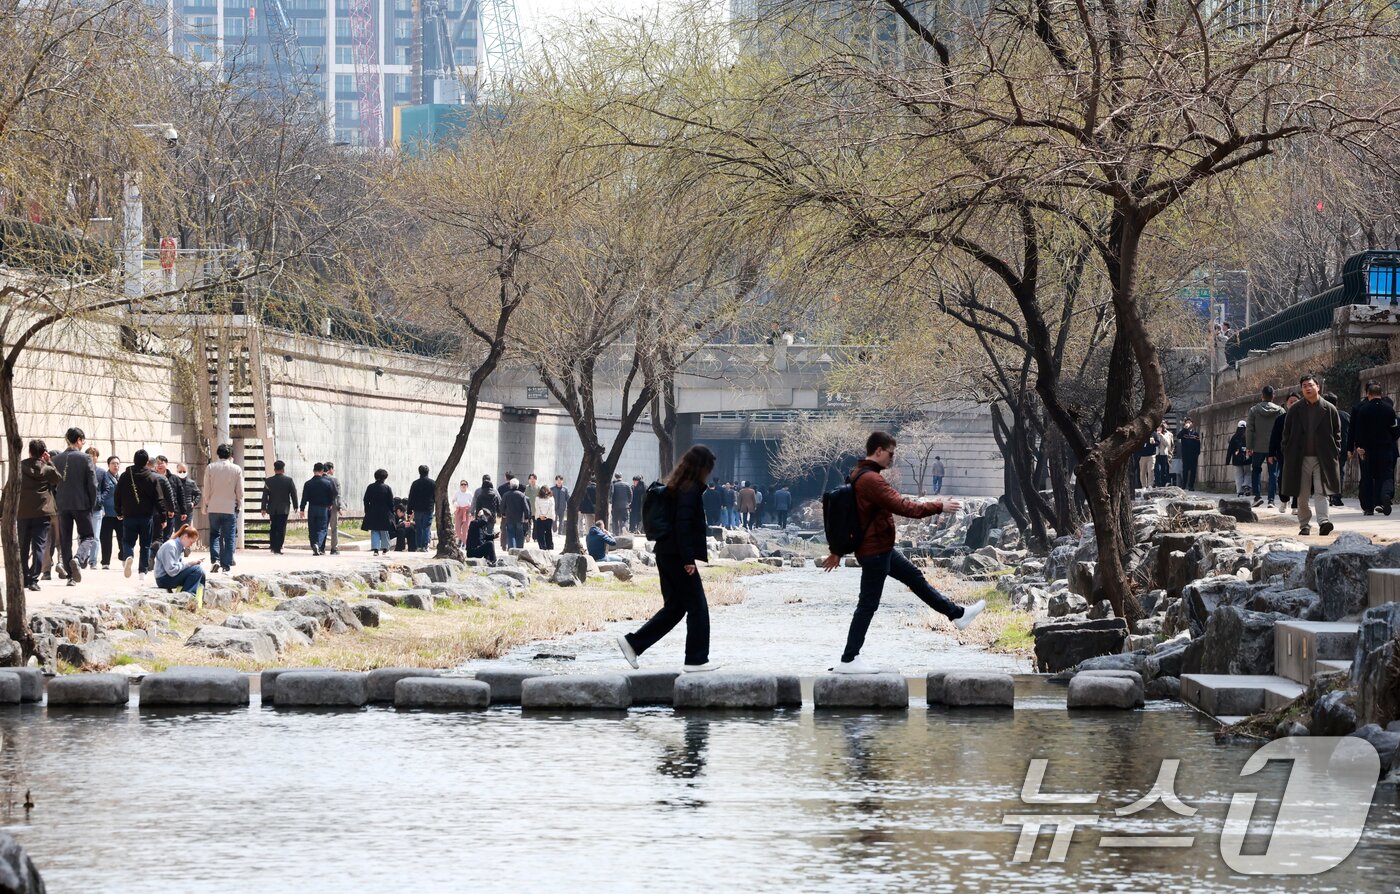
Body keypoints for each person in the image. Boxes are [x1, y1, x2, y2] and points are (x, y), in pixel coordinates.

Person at [821, 431, 985, 674]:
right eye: (890, 453)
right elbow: (904, 507)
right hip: (875, 551)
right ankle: (849, 659)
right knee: (867, 605)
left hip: (880, 548)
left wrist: (837, 551)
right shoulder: (871, 480)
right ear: (878, 451)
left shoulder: (860, 475)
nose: (892, 459)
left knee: (915, 580)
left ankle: (957, 614)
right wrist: (939, 506)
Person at [616, 444, 721, 674]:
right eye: (709, 467)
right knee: (698, 607)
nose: (710, 473)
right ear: (701, 467)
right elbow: (682, 526)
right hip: (677, 555)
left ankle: (633, 643)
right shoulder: (690, 489)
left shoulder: (677, 486)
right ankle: (696, 661)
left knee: (675, 608)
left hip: (666, 552)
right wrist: (688, 560)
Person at [1280, 373, 1342, 537]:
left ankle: (1323, 522)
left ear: (1318, 387)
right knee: (1302, 494)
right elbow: (1286, 434)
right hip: (1300, 459)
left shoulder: (1329, 409)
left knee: (1322, 491)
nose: (1308, 388)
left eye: (1310, 385)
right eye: (1304, 386)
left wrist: (1336, 451)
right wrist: (1287, 451)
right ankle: (1304, 525)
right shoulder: (1295, 410)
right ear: (1301, 389)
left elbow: (1337, 434)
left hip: (1323, 458)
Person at [52, 427, 97, 585]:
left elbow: (52, 485)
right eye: (83, 440)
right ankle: (78, 559)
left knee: (65, 540)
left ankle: (71, 577)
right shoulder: (85, 458)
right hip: (81, 504)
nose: (83, 443)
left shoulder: (56, 459)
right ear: (78, 440)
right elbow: (92, 484)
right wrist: (93, 503)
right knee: (88, 536)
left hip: (63, 505)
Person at [115, 448, 170, 579]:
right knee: (145, 544)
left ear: (134, 461)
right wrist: (163, 517)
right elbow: (159, 499)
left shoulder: (125, 475)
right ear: (146, 462)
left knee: (127, 541)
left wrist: (119, 511)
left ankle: (128, 555)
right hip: (146, 516)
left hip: (129, 515)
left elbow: (117, 495)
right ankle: (142, 572)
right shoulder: (152, 477)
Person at [1348, 381, 1399, 516]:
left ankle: (1369, 507)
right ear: (1381, 394)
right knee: (1387, 475)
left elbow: (1358, 431)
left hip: (1368, 450)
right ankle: (1385, 495)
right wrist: (1390, 440)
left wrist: (1359, 447)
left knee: (1367, 477)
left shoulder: (1363, 409)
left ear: (1368, 394)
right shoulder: (1389, 409)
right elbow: (1395, 430)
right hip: (1386, 448)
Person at [18, 440, 62, 592]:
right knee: (39, 546)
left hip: (23, 512)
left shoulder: (20, 467)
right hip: (43, 513)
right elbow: (58, 479)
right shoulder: (47, 468)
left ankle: (23, 577)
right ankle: (33, 579)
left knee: (23, 546)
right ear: (43, 453)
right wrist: (49, 461)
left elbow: (8, 487)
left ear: (29, 451)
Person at [201, 443, 242, 573]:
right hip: (230, 507)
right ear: (230, 455)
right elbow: (240, 491)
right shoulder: (236, 469)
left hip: (213, 506)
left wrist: (206, 503)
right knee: (229, 536)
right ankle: (226, 564)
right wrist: (239, 503)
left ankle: (215, 560)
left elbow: (206, 488)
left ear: (217, 454)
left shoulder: (210, 467)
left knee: (214, 534)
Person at [1245, 386, 1285, 508]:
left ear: (1262, 396)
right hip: (1274, 448)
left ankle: (1257, 497)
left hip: (1257, 447)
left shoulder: (1254, 410)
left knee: (1256, 470)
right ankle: (1271, 500)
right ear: (1273, 396)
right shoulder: (1280, 411)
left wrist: (1249, 446)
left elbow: (1250, 430)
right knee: (1273, 473)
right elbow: (1283, 430)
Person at [154, 524, 206, 603]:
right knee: (197, 570)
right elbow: (171, 570)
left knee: (201, 572)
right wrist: (189, 564)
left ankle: (199, 600)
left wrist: (192, 564)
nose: (191, 545)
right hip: (163, 579)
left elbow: (180, 566)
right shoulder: (171, 546)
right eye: (191, 542)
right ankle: (186, 599)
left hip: (170, 576)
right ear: (185, 536)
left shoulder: (180, 546)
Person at [260, 460, 299, 554]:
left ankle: (273, 546)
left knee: (273, 527)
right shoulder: (288, 480)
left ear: (274, 469)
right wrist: (296, 506)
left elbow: (265, 495)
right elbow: (294, 494)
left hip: (272, 508)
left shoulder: (268, 481)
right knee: (281, 528)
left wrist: (263, 508)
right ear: (283, 469)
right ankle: (278, 547)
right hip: (284, 508)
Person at [1269, 394, 1298, 512]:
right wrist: (1270, 453)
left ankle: (1295, 504)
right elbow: (1274, 437)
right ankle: (1284, 500)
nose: (1293, 404)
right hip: (1283, 453)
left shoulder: (1303, 419)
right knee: (1283, 477)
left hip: (1299, 452)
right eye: (1291, 402)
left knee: (1298, 477)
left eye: (1296, 401)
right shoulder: (1280, 419)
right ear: (1287, 404)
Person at [362, 469, 395, 555]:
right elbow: (391, 502)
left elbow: (366, 499)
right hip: (385, 512)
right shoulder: (387, 488)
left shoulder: (370, 487)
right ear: (385, 478)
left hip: (373, 511)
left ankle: (376, 549)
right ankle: (385, 548)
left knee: (375, 530)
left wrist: (367, 510)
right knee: (384, 530)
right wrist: (392, 512)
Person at [1325, 393, 1350, 508]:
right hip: (1342, 448)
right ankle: (1337, 496)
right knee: (1339, 471)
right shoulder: (1345, 416)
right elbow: (1350, 433)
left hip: (1326, 449)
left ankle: (1330, 495)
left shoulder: (1322, 415)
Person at [87, 447, 110, 570]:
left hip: (97, 508)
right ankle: (83, 558)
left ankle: (93, 560)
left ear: (97, 457)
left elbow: (107, 488)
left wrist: (100, 499)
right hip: (84, 508)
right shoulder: (82, 470)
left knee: (96, 536)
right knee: (83, 535)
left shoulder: (102, 472)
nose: (92, 457)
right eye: (90, 455)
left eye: (94, 455)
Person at [97, 455, 121, 570]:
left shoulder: (121, 478)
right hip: (106, 513)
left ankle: (124, 558)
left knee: (122, 538)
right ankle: (105, 562)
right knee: (106, 539)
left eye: (117, 463)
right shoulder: (104, 477)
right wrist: (101, 508)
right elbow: (100, 493)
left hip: (119, 514)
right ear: (108, 465)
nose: (116, 466)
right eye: (113, 463)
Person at [407, 465, 436, 551]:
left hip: (418, 509)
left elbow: (411, 497)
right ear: (428, 472)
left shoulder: (415, 483)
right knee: (426, 527)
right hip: (428, 508)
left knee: (419, 528)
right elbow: (435, 496)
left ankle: (419, 545)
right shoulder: (432, 483)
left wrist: (409, 509)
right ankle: (425, 545)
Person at [501, 479, 529, 550]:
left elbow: (502, 506)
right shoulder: (522, 495)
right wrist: (526, 517)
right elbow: (526, 508)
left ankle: (512, 549)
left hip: (509, 518)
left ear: (510, 485)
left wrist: (503, 514)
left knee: (511, 534)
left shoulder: (506, 495)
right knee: (520, 535)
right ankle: (519, 550)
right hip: (520, 519)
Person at [1226, 420, 1250, 496]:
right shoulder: (1248, 437)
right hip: (1247, 458)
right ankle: (1246, 485)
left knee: (1239, 475)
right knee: (1247, 473)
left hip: (1237, 459)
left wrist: (1227, 461)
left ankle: (1240, 491)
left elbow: (1230, 450)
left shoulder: (1234, 437)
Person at [1177, 418, 1201, 491]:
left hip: (1193, 455)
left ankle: (1191, 485)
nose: (1188, 424)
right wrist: (1184, 429)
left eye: (1189, 422)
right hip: (1185, 454)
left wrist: (1197, 453)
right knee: (1185, 470)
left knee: (1193, 470)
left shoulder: (1195, 434)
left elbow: (1198, 444)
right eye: (1186, 422)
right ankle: (1184, 485)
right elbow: (1178, 436)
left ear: (1192, 424)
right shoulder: (1183, 433)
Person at [325, 461, 344, 555]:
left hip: (323, 506)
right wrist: (340, 507)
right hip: (334, 506)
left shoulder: (321, 479)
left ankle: (321, 547)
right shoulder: (335, 480)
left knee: (323, 527)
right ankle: (334, 548)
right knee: (334, 528)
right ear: (330, 469)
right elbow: (338, 495)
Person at [1151, 423, 1174, 488]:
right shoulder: (1154, 434)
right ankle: (1158, 483)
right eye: (1158, 427)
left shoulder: (1166, 434)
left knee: (1164, 470)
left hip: (1163, 454)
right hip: (1156, 454)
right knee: (1157, 469)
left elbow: (1167, 444)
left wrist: (1161, 436)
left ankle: (1164, 483)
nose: (1159, 429)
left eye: (1160, 428)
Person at [534, 484, 556, 551]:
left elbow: (537, 508)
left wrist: (541, 516)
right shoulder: (550, 498)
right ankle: (548, 547)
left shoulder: (550, 498)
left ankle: (543, 547)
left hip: (542, 518)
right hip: (548, 518)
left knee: (542, 533)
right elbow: (551, 509)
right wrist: (545, 516)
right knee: (547, 532)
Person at [453, 480, 474, 547]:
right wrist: (455, 504)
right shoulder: (457, 493)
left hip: (467, 512)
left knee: (465, 529)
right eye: (462, 484)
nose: (463, 486)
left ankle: (465, 544)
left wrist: (471, 511)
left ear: (467, 486)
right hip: (459, 511)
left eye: (465, 484)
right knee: (457, 528)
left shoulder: (469, 494)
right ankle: (462, 540)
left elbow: (473, 503)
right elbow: (453, 500)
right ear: (460, 486)